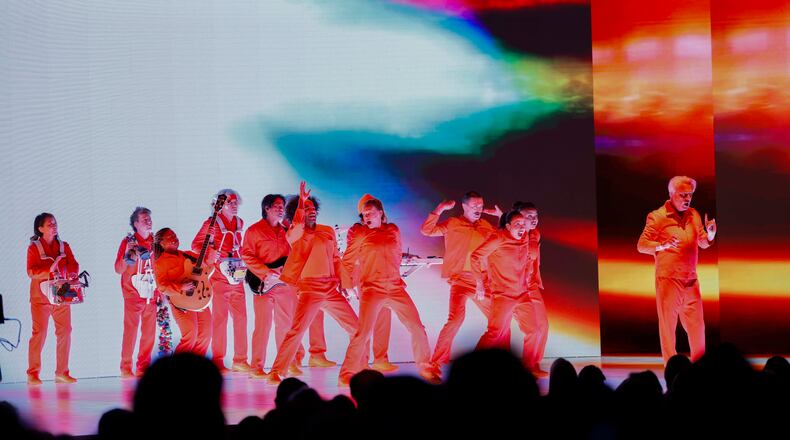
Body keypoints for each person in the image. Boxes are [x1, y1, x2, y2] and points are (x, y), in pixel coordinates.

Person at [338, 196, 441, 385]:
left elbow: (395, 254)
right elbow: (347, 260)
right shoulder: (360, 233)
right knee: (363, 333)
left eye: (370, 212)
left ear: (380, 213)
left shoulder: (393, 230)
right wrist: (347, 286)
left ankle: (426, 367)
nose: (367, 216)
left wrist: (408, 257)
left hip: (395, 287)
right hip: (372, 289)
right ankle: (347, 372)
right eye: (364, 214)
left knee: (417, 327)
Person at [267, 182, 362, 384]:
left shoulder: (327, 230)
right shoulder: (295, 233)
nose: (311, 211)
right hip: (309, 288)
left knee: (357, 330)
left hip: (331, 288)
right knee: (297, 330)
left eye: (312, 208)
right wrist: (301, 202)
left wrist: (344, 285)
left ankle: (350, 373)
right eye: (306, 209)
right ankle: (277, 371)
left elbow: (336, 258)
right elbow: (298, 227)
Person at [241, 193, 333, 379]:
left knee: (286, 326)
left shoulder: (287, 230)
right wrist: (266, 271)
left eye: (282, 205)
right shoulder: (254, 231)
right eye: (276, 205)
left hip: (285, 286)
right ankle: (256, 367)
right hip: (263, 286)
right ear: (266, 208)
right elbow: (247, 255)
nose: (280, 208)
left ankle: (288, 363)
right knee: (262, 327)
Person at [637, 176, 716, 363]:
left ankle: (700, 367)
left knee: (697, 326)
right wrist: (661, 245)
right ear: (671, 194)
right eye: (682, 195)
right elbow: (641, 245)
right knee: (668, 328)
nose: (687, 198)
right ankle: (671, 370)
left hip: (690, 279)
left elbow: (702, 242)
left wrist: (710, 235)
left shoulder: (694, 215)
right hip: (669, 279)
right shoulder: (657, 216)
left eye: (690, 195)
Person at [420, 191, 504, 365]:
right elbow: (427, 230)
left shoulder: (486, 226)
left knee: (499, 322)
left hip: (483, 281)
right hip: (461, 280)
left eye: (480, 205)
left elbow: (504, 240)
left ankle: (482, 362)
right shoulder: (453, 223)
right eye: (474, 205)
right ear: (464, 206)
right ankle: (437, 361)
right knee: (455, 320)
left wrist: (502, 217)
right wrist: (440, 208)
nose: (478, 209)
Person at [472, 210, 539, 372]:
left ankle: (529, 368)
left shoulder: (524, 237)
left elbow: (521, 224)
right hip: (503, 295)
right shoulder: (498, 238)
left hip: (522, 294)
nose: (522, 228)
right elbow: (475, 256)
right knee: (495, 333)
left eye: (523, 224)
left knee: (534, 330)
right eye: (518, 225)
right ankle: (471, 367)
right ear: (508, 226)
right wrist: (479, 283)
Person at [192, 189, 250, 373]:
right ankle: (218, 360)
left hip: (237, 276)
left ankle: (240, 360)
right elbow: (195, 245)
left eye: (235, 202)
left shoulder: (240, 223)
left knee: (241, 319)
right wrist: (211, 253)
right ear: (220, 205)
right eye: (230, 202)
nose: (234, 206)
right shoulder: (212, 224)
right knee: (220, 320)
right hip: (218, 277)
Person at [26, 213, 79, 384]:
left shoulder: (64, 246)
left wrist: (72, 273)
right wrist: (50, 268)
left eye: (55, 223)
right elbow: (31, 272)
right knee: (39, 333)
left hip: (60, 296)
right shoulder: (34, 248)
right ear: (40, 229)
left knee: (65, 331)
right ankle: (33, 373)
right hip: (40, 298)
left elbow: (73, 264)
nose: (54, 226)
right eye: (50, 224)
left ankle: (62, 372)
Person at [153, 228, 212, 356]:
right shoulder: (160, 263)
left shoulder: (187, 254)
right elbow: (162, 287)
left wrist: (211, 244)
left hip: (199, 299)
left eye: (175, 236)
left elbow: (207, 262)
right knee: (190, 335)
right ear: (161, 244)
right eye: (170, 238)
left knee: (205, 335)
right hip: (180, 303)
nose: (175, 239)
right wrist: (180, 287)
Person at [114, 207, 158, 378]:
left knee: (149, 333)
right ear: (135, 224)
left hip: (151, 293)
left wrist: (160, 292)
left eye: (149, 218)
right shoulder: (129, 242)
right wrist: (127, 255)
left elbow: (159, 269)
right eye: (144, 219)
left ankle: (143, 367)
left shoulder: (156, 242)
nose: (148, 221)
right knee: (131, 331)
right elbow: (118, 269)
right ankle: (125, 367)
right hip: (132, 293)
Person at [512, 201, 549, 374]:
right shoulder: (509, 235)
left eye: (535, 216)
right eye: (529, 216)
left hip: (531, 285)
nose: (534, 220)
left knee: (542, 326)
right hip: (513, 288)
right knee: (529, 329)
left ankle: (533, 363)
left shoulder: (535, 234)